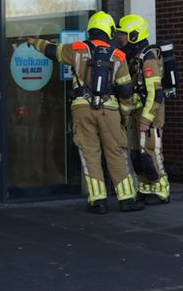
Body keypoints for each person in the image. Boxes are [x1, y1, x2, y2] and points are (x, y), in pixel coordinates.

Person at [27, 12, 143, 213]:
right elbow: (125, 92)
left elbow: (53, 51)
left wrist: (35, 42)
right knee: (116, 152)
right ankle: (127, 199)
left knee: (90, 154)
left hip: (81, 108)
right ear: (109, 31)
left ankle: (97, 201)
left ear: (91, 29)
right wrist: (123, 118)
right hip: (109, 110)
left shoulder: (76, 49)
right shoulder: (119, 56)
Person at [116, 14, 170, 204]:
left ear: (134, 35)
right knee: (137, 155)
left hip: (150, 117)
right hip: (136, 115)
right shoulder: (135, 57)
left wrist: (146, 119)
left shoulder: (148, 58)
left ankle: (161, 190)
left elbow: (155, 93)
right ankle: (146, 189)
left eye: (123, 34)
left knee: (150, 152)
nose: (120, 38)